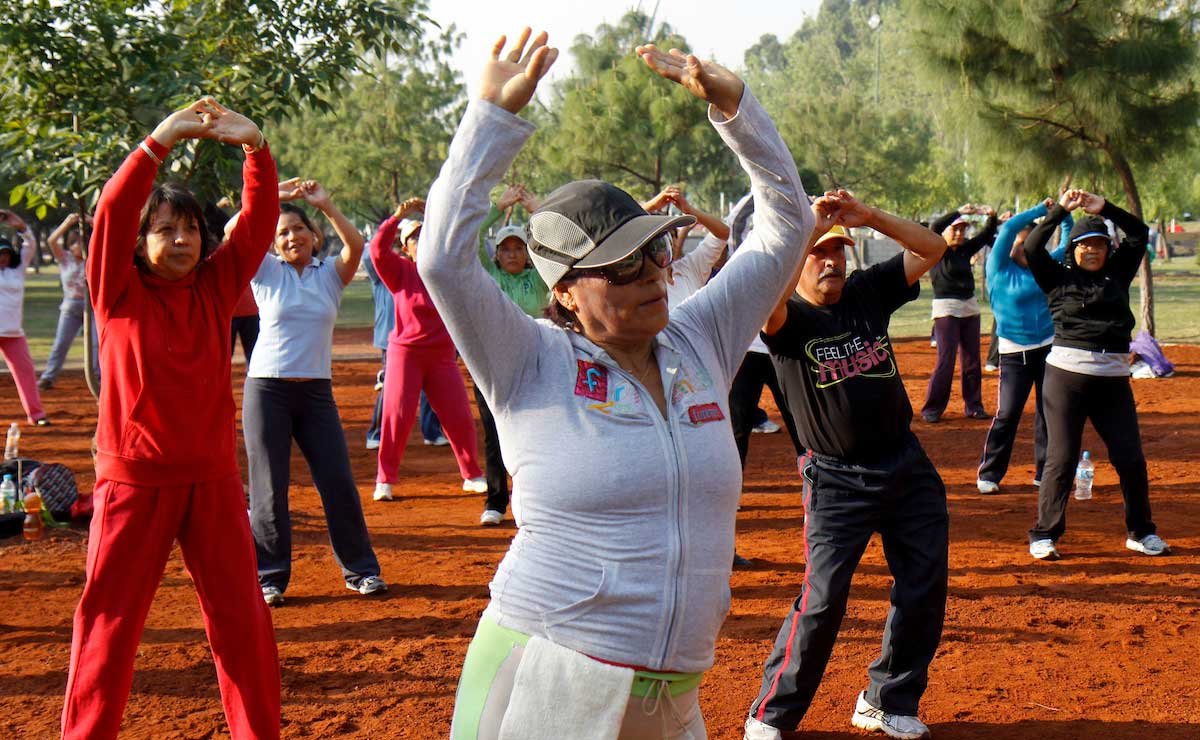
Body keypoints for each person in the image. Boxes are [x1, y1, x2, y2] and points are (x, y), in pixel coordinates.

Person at [422, 30, 814, 738]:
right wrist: (490, 121)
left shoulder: (700, 339)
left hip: (674, 697)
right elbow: (444, 260)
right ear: (566, 291)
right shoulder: (526, 361)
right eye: (621, 267)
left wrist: (740, 114)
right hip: (549, 680)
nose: (652, 277)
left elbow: (788, 226)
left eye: (653, 254)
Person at [61, 97, 279, 740]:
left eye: (189, 230)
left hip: (210, 483)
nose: (180, 240)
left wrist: (256, 151)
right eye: (165, 230)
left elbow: (258, 224)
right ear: (141, 241)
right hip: (133, 486)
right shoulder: (116, 290)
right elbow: (112, 212)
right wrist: (157, 143)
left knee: (241, 624)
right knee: (109, 627)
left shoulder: (216, 286)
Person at [744, 192, 949, 740]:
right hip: (836, 479)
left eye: (839, 251)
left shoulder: (866, 294)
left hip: (905, 464)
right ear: (800, 259)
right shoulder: (788, 321)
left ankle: (887, 699)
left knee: (924, 583)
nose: (831, 261)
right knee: (824, 598)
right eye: (819, 253)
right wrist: (807, 230)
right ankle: (771, 714)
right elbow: (768, 306)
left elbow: (934, 246)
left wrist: (873, 216)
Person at [243, 178, 386, 606]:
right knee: (269, 488)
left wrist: (325, 204)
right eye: (283, 233)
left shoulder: (330, 275)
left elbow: (356, 244)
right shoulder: (265, 272)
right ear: (274, 244)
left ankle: (361, 571)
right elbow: (235, 233)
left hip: (316, 394)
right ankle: (269, 577)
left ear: (313, 236)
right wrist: (268, 197)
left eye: (298, 230)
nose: (292, 238)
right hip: (267, 391)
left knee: (338, 481)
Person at [1023, 189, 1170, 560]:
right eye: (1084, 244)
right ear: (1072, 248)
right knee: (1062, 457)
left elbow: (1138, 232)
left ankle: (1141, 532)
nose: (1092, 250)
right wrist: (1060, 212)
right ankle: (1045, 534)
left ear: (1108, 249)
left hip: (1114, 381)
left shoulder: (1118, 274)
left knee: (1130, 458)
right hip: (1066, 379)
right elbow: (1034, 248)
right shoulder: (1056, 277)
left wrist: (1104, 208)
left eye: (1099, 244)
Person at [369, 199, 486, 503]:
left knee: (458, 415)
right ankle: (385, 479)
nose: (421, 242)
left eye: (427, 235)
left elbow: (468, 243)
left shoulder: (447, 273)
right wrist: (396, 217)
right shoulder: (399, 271)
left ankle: (472, 475)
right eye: (414, 238)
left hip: (441, 356)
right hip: (406, 353)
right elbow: (377, 251)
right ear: (406, 247)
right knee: (397, 415)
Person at [975, 199, 1070, 494]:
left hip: (1048, 349)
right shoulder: (998, 267)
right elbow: (1010, 228)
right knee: (1008, 413)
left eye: (1032, 242)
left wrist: (1063, 215)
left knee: (1047, 412)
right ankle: (989, 473)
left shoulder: (1044, 268)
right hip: (1014, 352)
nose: (1026, 245)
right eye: (1022, 241)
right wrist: (1044, 210)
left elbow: (1067, 241)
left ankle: (1044, 473)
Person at [473, 183, 548, 525]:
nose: (513, 254)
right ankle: (496, 501)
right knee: (495, 432)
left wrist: (539, 212)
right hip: (492, 364)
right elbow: (467, 243)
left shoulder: (542, 278)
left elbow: (565, 250)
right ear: (497, 254)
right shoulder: (489, 277)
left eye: (520, 248)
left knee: (539, 431)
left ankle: (537, 499)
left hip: (535, 363)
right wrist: (495, 208)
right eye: (506, 249)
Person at [920, 204, 997, 423]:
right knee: (946, 359)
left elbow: (985, 235)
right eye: (955, 229)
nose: (959, 233)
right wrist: (960, 211)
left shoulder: (965, 250)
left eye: (963, 229)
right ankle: (932, 408)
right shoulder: (937, 250)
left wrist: (991, 217)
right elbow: (935, 226)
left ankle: (974, 406)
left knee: (972, 359)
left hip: (969, 306)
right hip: (946, 308)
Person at [38, 213, 100, 390]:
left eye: (82, 242)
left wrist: (91, 221)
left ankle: (98, 378)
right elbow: (52, 240)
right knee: (61, 343)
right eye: (74, 243)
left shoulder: (92, 259)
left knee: (96, 345)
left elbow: (106, 238)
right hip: (71, 307)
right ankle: (49, 377)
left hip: (92, 308)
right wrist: (67, 222)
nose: (78, 246)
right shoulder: (65, 260)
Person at [0, 212, 51, 426]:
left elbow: (29, 245)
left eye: (5, 253)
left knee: (26, 374)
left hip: (13, 333)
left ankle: (36, 415)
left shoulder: (17, 271)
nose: (2, 257)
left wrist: (21, 225)